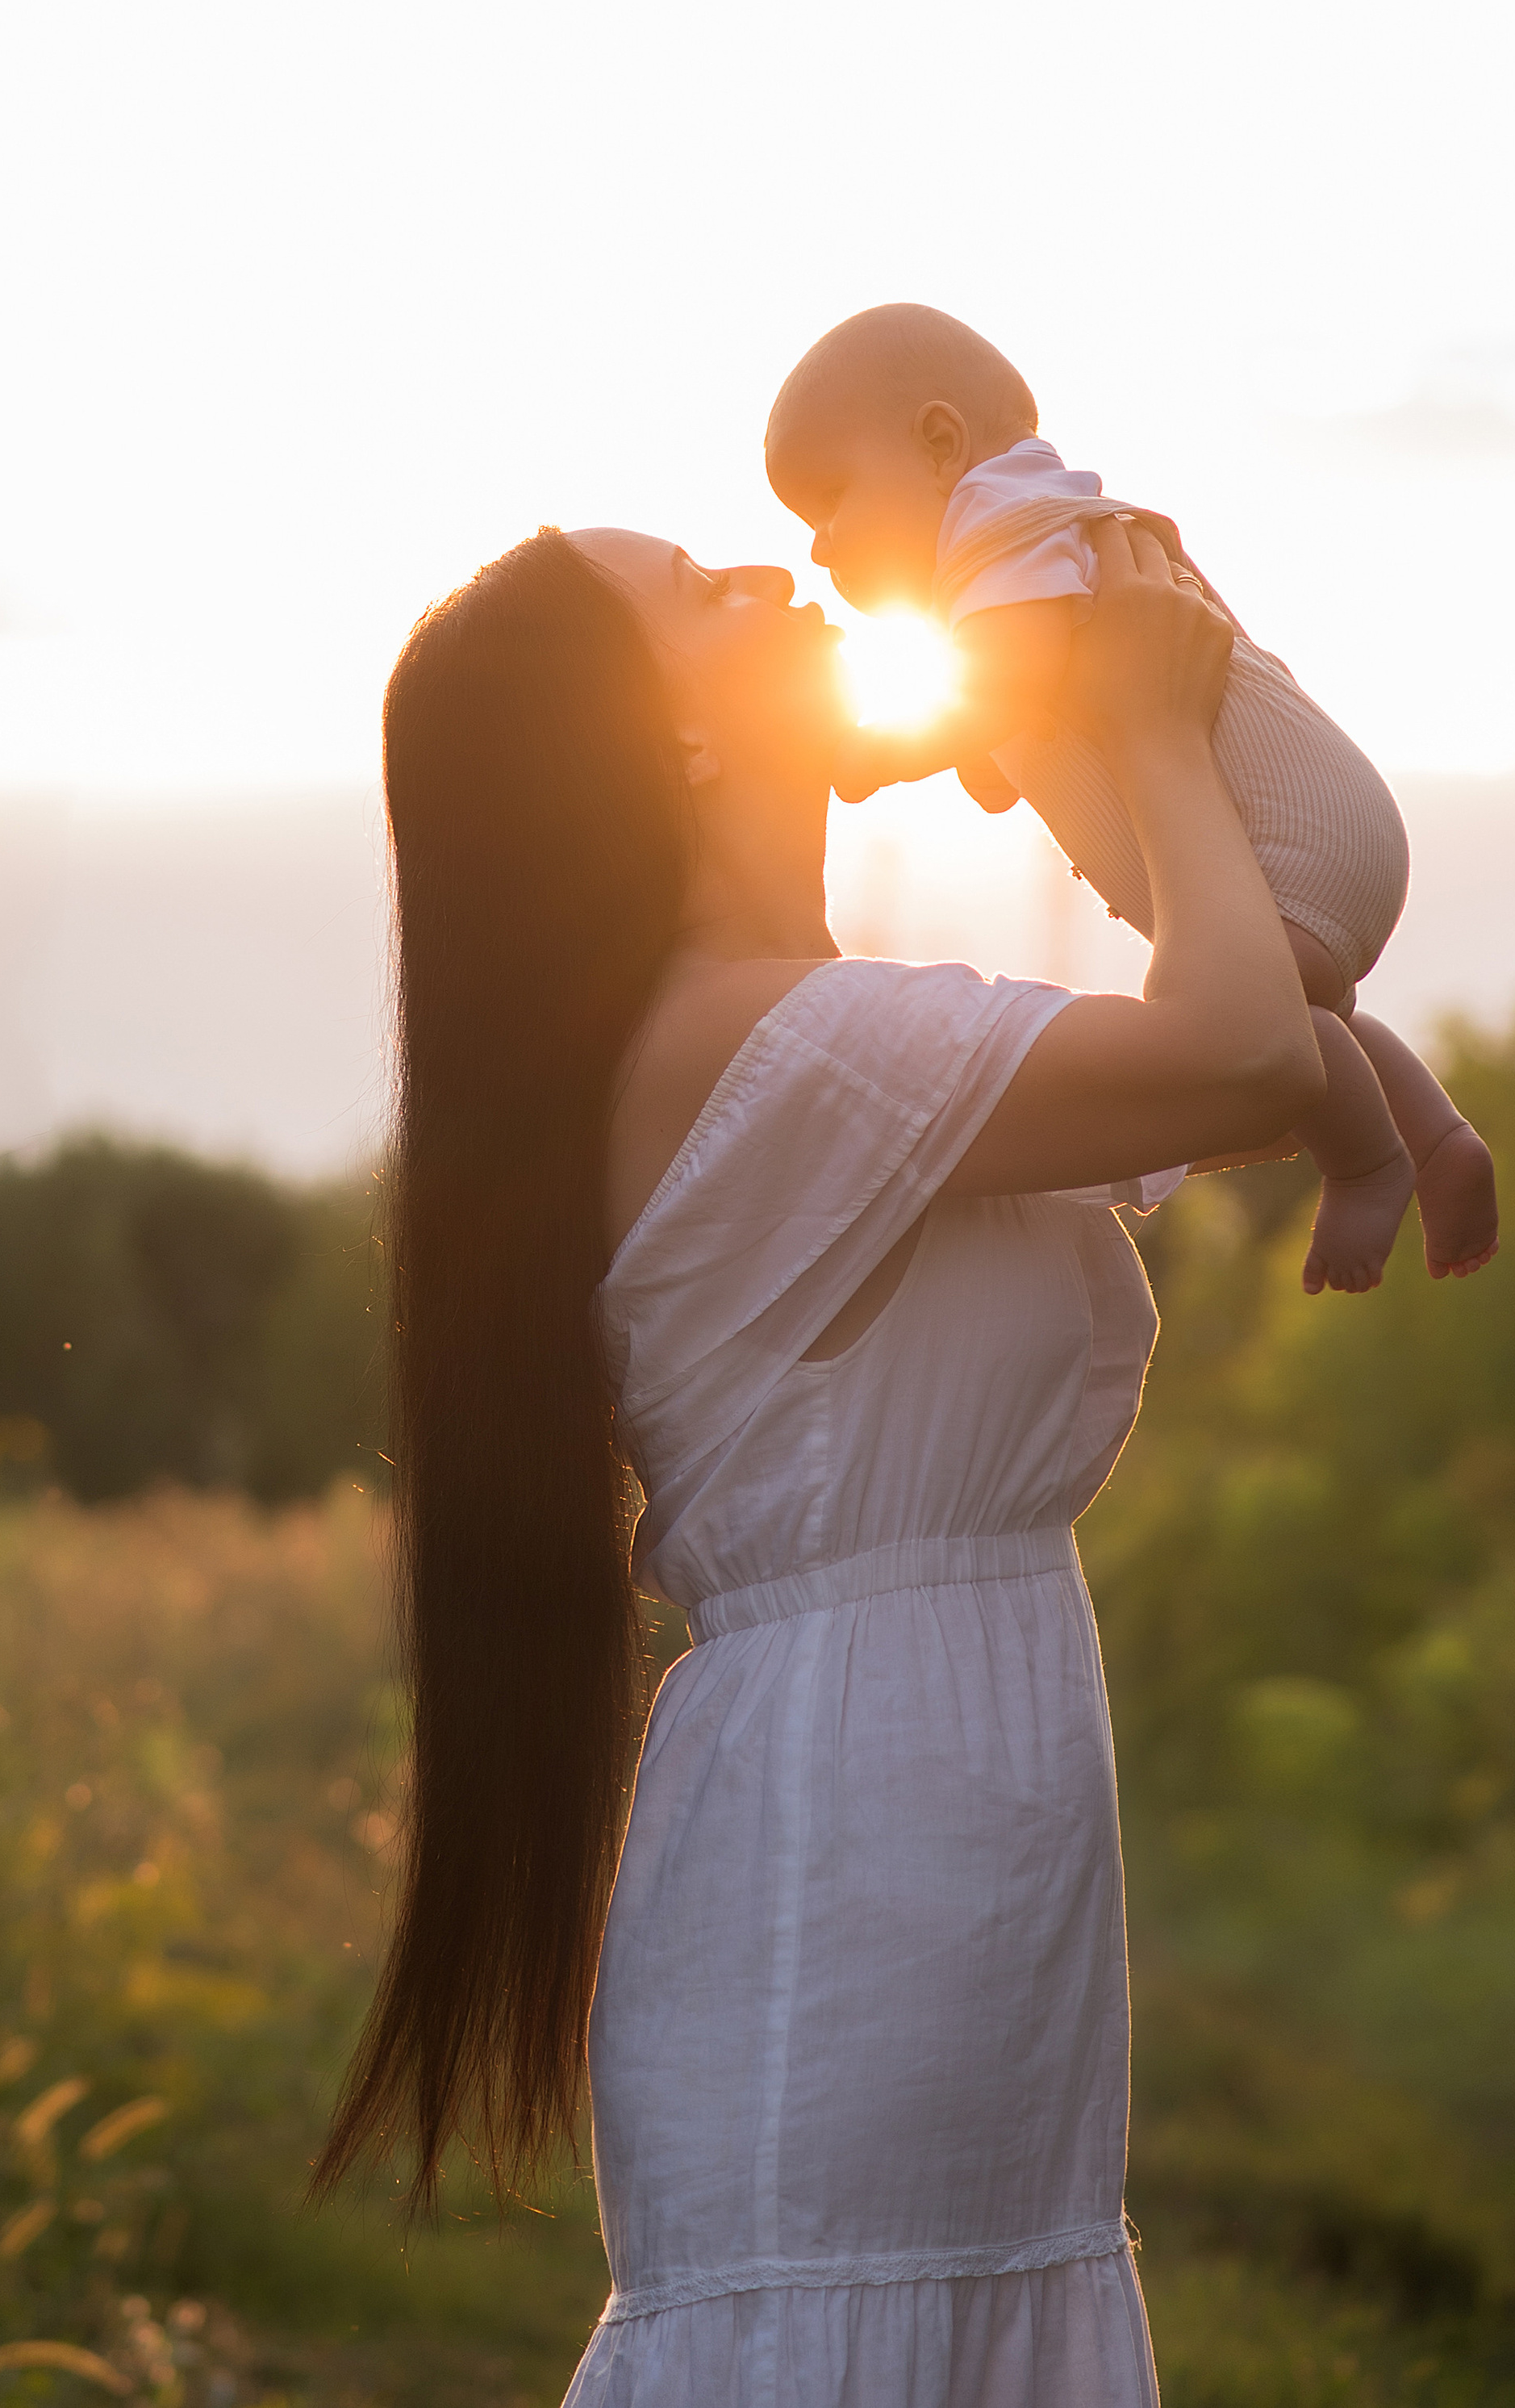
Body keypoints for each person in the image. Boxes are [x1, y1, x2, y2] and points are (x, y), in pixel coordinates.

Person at [316, 515, 1325, 2406]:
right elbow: (1243, 1052)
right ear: (666, 741)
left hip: (928, 1799)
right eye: (704, 590)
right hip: (848, 1834)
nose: (775, 581)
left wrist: (1126, 739)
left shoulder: (814, 1035)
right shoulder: (753, 1044)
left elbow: (1267, 1026)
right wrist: (1153, 725)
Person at [765, 301, 1500, 1297]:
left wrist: (868, 752)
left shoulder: (999, 515)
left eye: (829, 502)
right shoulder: (1012, 563)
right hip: (1321, 834)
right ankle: (1436, 1133)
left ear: (940, 443)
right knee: (1295, 1000)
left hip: (1293, 836)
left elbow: (1003, 679)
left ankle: (1368, 1163)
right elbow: (1017, 703)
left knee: (1253, 1012)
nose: (818, 548)